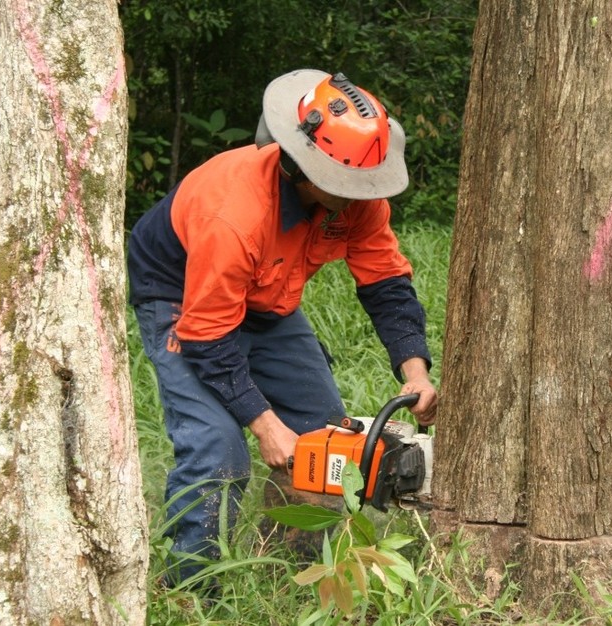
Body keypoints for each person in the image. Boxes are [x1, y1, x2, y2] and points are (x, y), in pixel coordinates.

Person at [127, 69, 439, 584]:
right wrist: (265, 424)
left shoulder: (356, 198)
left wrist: (416, 371)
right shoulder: (234, 215)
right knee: (217, 448)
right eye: (349, 186)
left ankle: (289, 570)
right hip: (181, 295)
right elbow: (206, 333)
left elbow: (385, 281)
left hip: (267, 293)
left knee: (323, 434)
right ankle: (190, 586)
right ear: (304, 165)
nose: (363, 195)